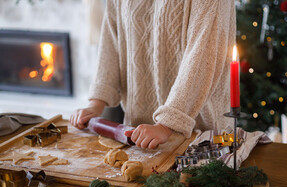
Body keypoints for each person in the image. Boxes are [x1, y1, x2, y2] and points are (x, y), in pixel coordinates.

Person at [70, 0, 236, 149]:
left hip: (202, 139)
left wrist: (167, 124)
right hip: (137, 135)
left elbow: (203, 54)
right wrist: (96, 102)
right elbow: (111, 39)